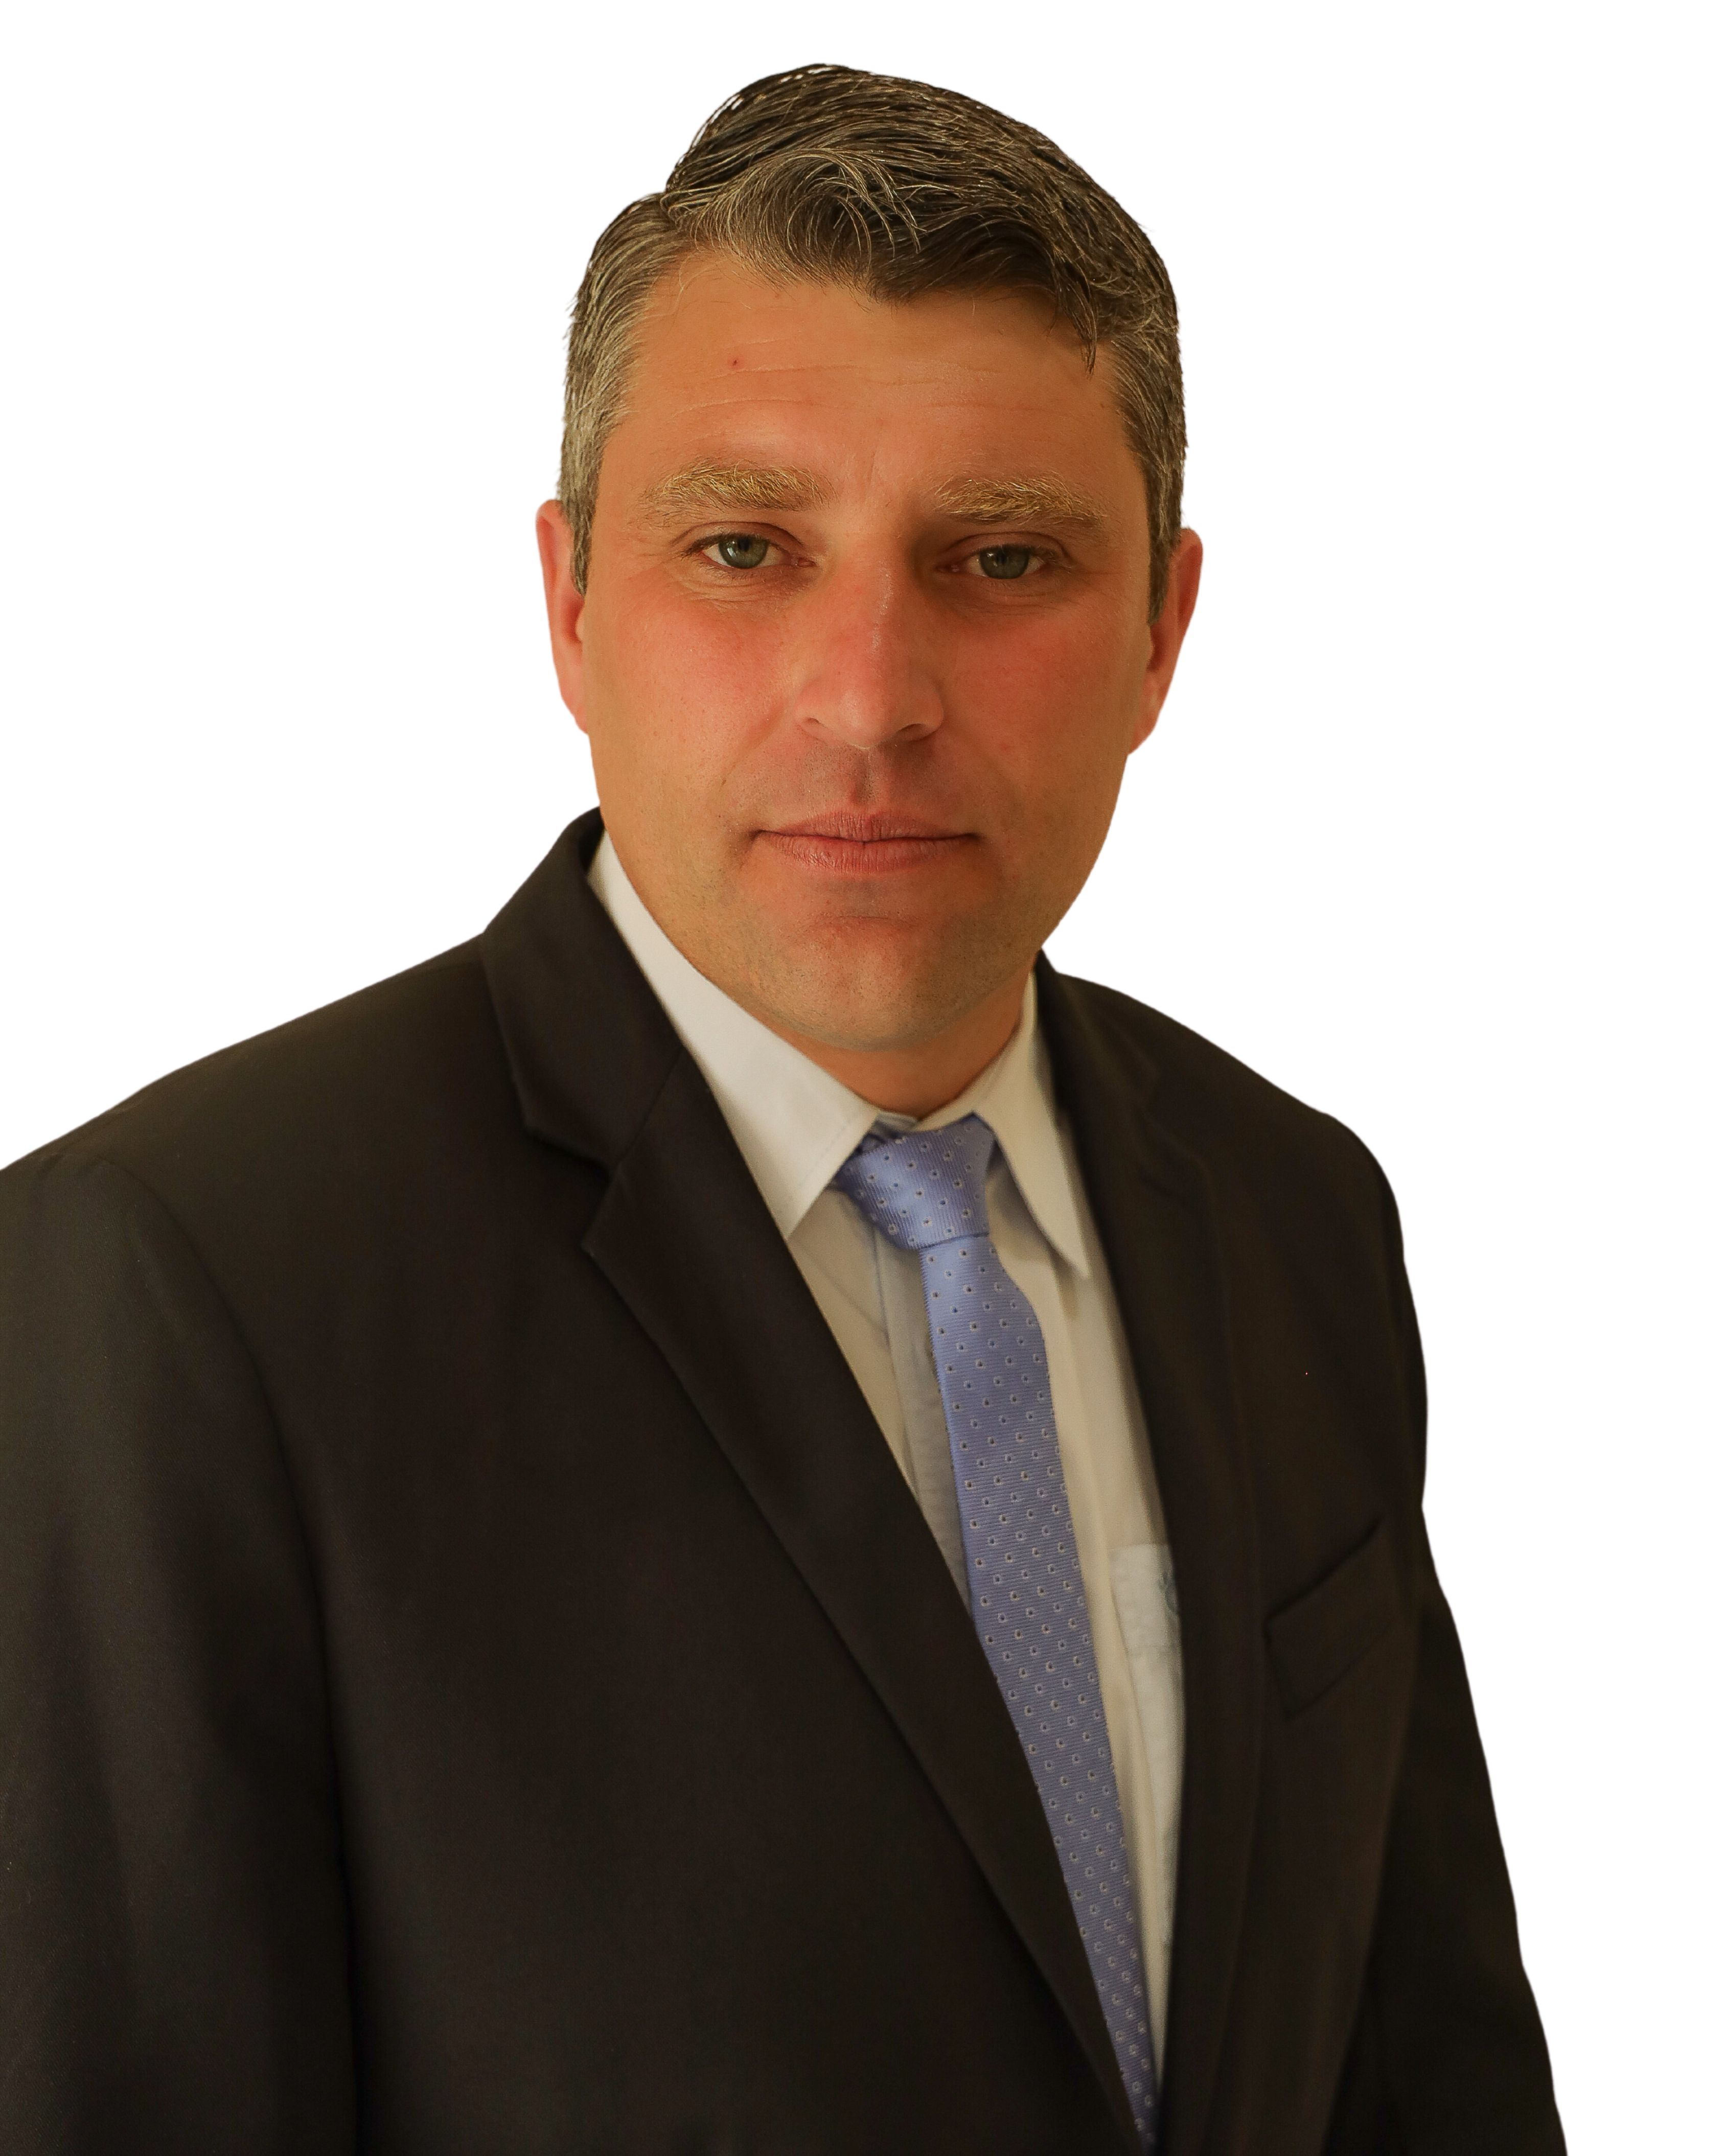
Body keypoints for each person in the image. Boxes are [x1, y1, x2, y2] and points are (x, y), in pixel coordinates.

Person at [0, 62, 1564, 2156]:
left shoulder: (1293, 1210)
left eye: (1002, 557)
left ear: (1163, 631)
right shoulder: (178, 1284)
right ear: (570, 604)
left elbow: (1426, 2074)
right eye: (744, 546)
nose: (872, 695)